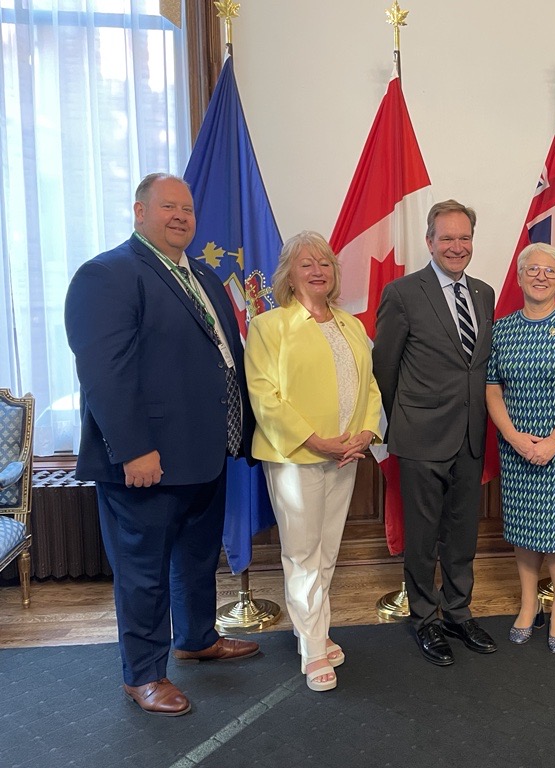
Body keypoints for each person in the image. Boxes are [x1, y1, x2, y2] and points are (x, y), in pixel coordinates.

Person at [64, 173, 259, 717]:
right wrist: (131, 449)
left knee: (197, 560)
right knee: (143, 572)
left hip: (204, 452)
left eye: (188, 209)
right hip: (145, 459)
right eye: (168, 206)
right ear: (139, 211)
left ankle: (197, 638)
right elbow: (105, 372)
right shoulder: (108, 274)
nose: (181, 216)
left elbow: (222, 358)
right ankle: (143, 675)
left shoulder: (202, 275)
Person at [245, 231, 382, 692]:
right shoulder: (269, 326)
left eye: (324, 262)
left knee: (325, 553)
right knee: (301, 554)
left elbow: (371, 386)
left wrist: (365, 431)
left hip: (345, 456)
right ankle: (313, 648)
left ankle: (315, 633)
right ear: (289, 273)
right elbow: (264, 396)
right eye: (306, 264)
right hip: (295, 457)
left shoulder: (351, 324)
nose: (317, 270)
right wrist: (315, 440)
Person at [372, 199, 498, 666]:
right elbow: (383, 368)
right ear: (429, 241)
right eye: (447, 238)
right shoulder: (403, 293)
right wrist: (406, 421)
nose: (456, 246)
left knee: (462, 533)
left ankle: (458, 613)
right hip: (421, 436)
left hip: (470, 435)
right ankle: (425, 617)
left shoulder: (483, 294)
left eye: (464, 238)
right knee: (423, 536)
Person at [486, 243, 555, 653]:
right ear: (519, 276)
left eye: (549, 271)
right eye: (532, 269)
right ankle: (528, 603)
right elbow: (492, 389)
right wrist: (516, 438)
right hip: (515, 445)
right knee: (523, 529)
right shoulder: (501, 329)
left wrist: (553, 441)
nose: (540, 276)